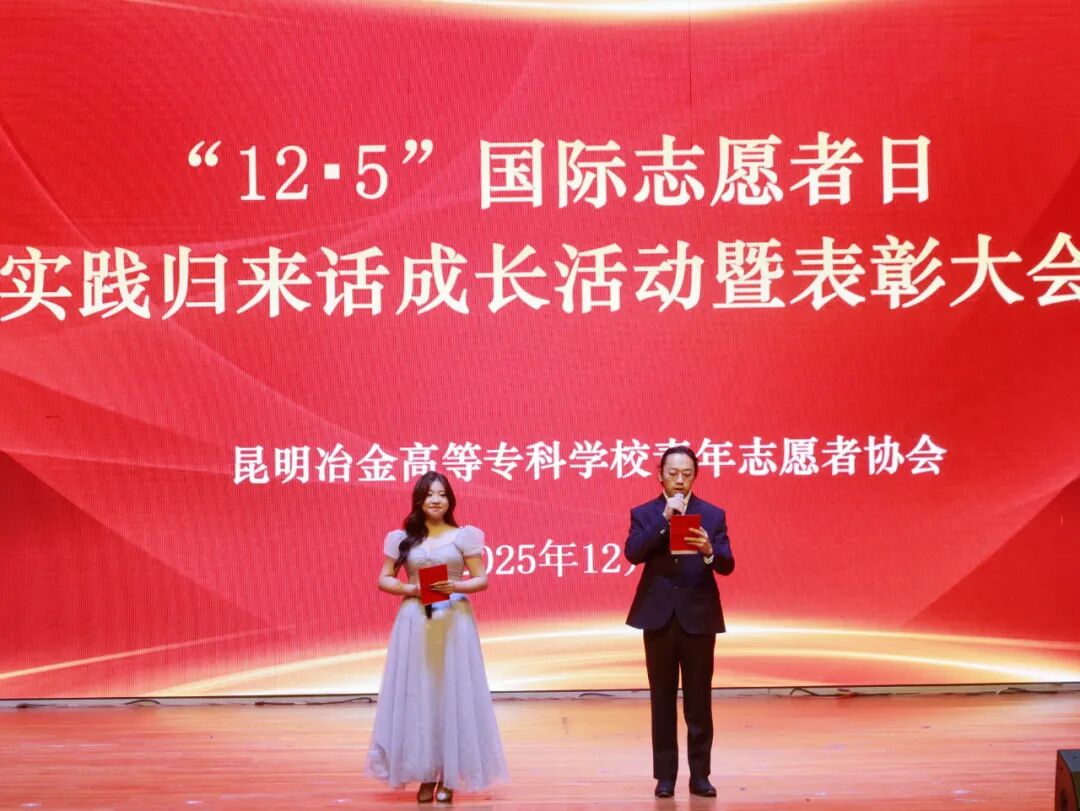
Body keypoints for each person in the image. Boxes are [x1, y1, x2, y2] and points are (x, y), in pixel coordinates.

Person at [365, 471, 508, 803]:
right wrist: (411, 589)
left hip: (453, 619)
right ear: (418, 500)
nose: (436, 500)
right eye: (429, 494)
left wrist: (454, 586)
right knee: (420, 694)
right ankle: (425, 774)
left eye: (442, 494)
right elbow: (384, 578)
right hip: (415, 621)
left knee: (451, 693)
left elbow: (482, 579)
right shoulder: (403, 539)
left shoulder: (463, 537)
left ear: (450, 500)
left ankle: (448, 775)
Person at [624, 445, 736, 798]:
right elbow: (632, 554)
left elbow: (727, 564)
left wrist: (708, 551)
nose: (679, 480)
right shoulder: (645, 513)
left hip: (699, 618)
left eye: (686, 474)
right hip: (658, 617)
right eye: (672, 473)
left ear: (695, 476)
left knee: (699, 700)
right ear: (659, 475)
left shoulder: (712, 514)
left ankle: (700, 775)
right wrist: (665, 521)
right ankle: (665, 777)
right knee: (662, 699)